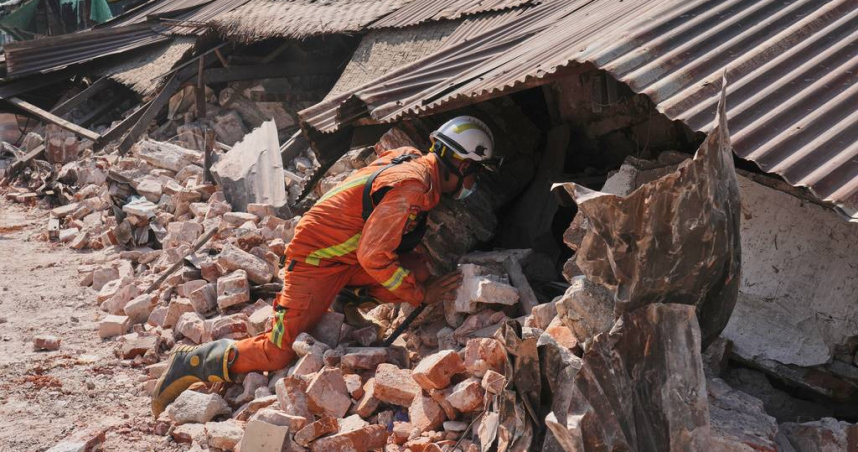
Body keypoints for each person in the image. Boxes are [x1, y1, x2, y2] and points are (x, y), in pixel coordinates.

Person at [151, 116, 497, 416]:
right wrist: (420, 295)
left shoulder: (412, 162)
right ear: (463, 166)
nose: (474, 182)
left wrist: (416, 283)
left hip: (343, 256)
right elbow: (374, 256)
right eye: (476, 172)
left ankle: (344, 299)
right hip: (316, 259)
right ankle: (193, 361)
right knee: (277, 353)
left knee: (416, 268)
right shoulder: (413, 186)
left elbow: (372, 245)